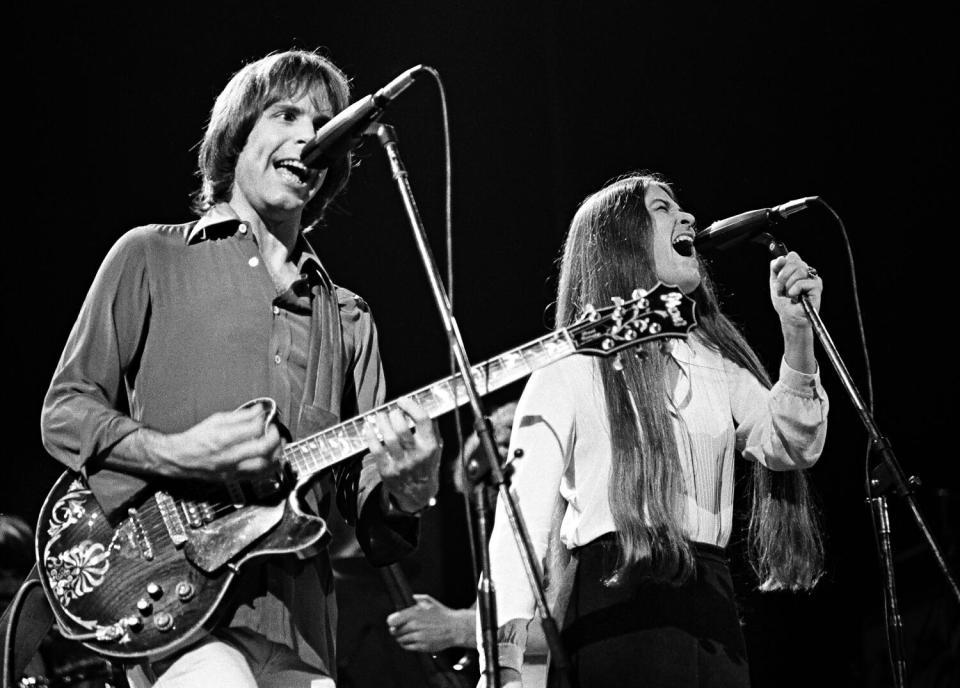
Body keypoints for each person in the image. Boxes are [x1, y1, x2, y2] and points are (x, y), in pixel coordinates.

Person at [40, 49, 442, 688]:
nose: (311, 135)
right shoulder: (150, 256)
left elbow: (370, 518)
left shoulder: (349, 317)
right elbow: (65, 412)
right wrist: (178, 452)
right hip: (173, 610)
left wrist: (409, 487)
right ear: (238, 135)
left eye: (326, 122)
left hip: (301, 632)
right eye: (287, 114)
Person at [484, 172, 829, 687]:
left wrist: (798, 334)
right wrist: (505, 665)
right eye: (663, 208)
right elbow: (520, 522)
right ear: (619, 240)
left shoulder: (713, 363)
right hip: (618, 610)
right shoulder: (569, 366)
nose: (687, 217)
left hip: (712, 617)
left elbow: (792, 444)